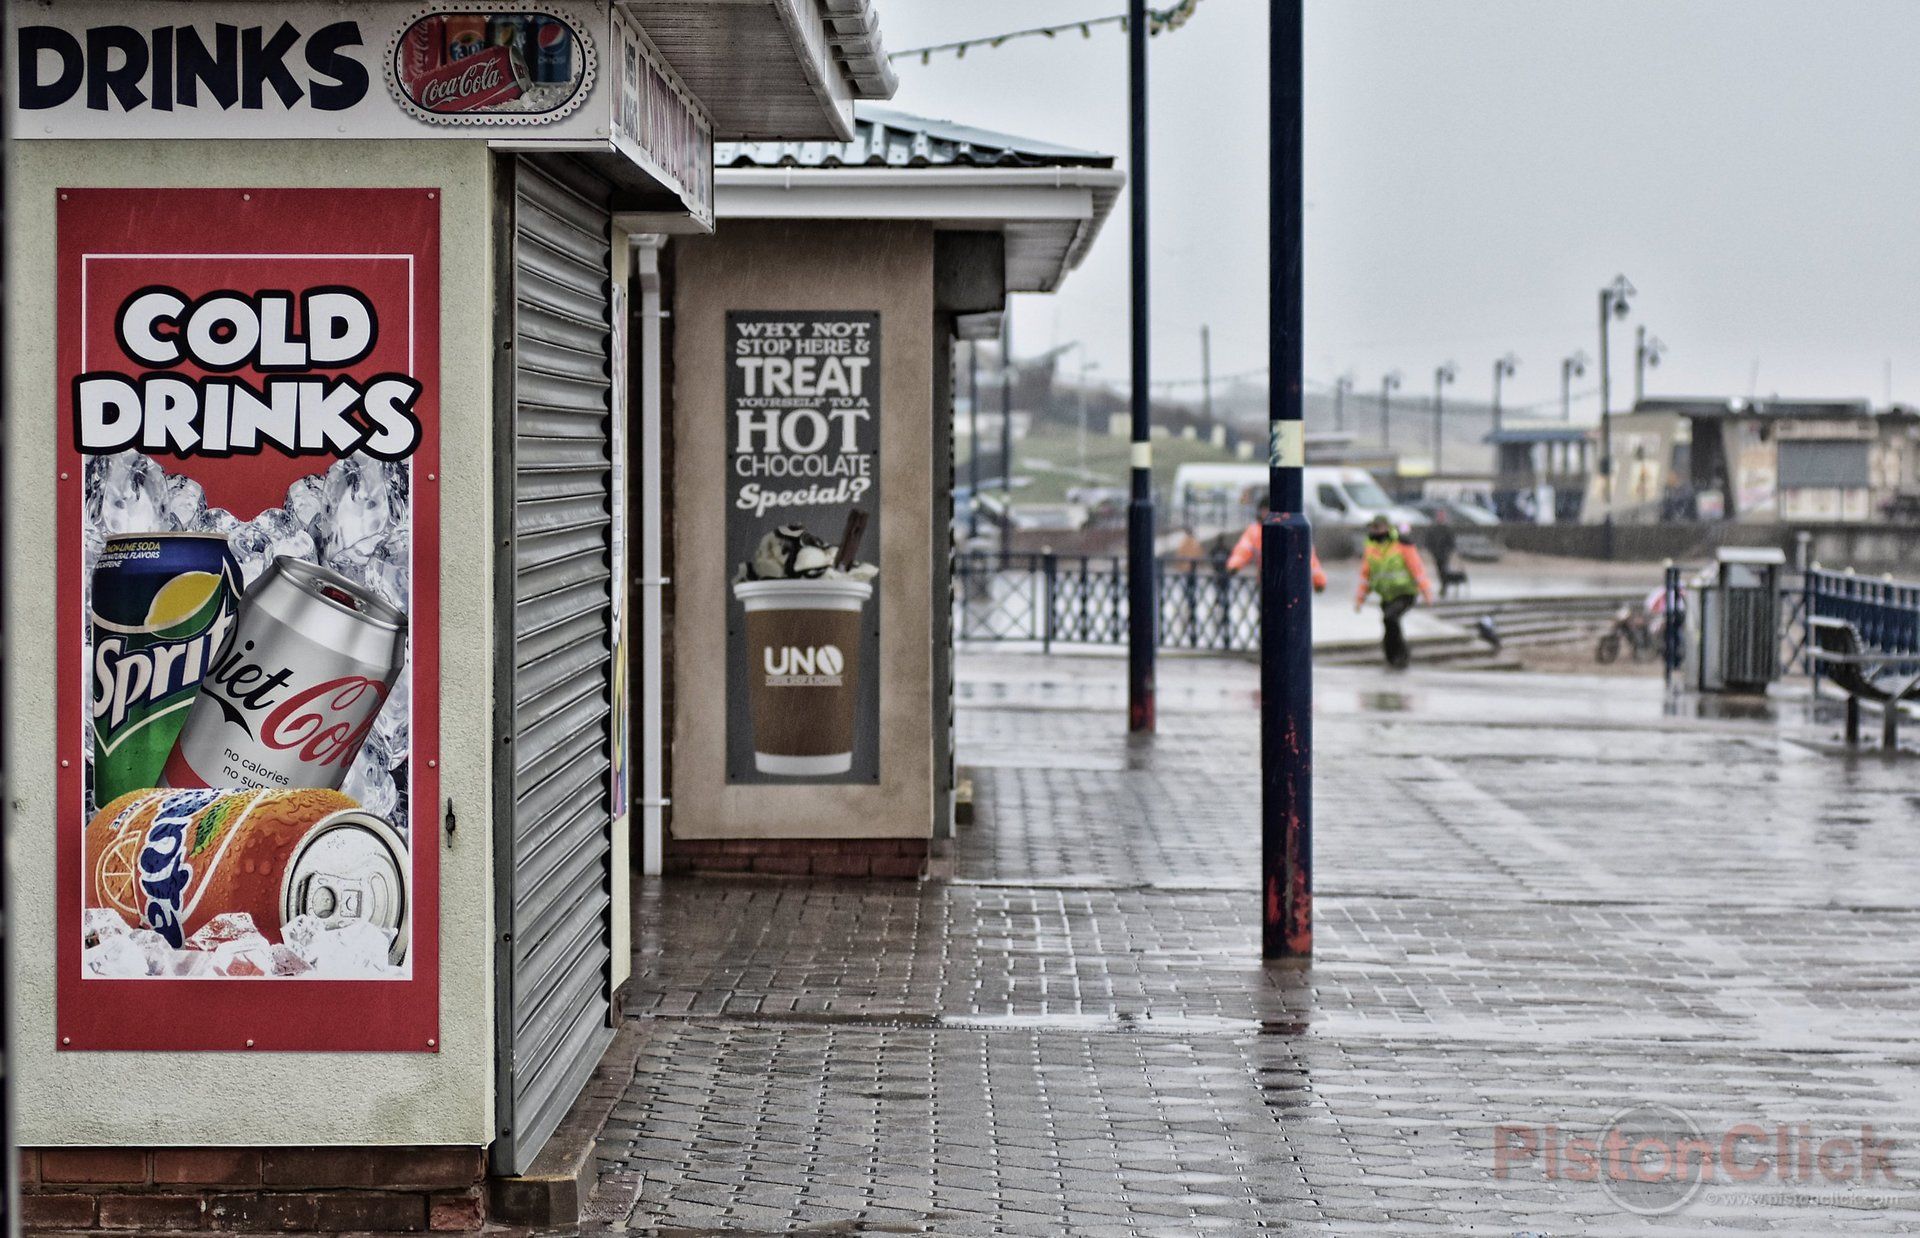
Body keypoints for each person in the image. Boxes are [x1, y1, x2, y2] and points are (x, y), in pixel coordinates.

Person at [1354, 514, 1433, 668]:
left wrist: (1426, 592)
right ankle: (1392, 658)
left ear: (1387, 527)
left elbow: (1416, 569)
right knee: (1389, 623)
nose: (1374, 530)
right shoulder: (1371, 548)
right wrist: (1359, 600)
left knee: (1390, 618)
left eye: (1378, 527)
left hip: (1405, 593)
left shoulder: (1402, 544)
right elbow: (1366, 576)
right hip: (1387, 595)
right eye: (1372, 527)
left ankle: (1401, 655)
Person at [1225, 500, 1326, 591]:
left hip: (1286, 580)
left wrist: (1319, 580)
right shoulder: (1255, 531)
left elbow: (1309, 559)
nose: (1265, 514)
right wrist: (1234, 566)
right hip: (1269, 580)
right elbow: (1243, 550)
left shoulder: (1288, 531)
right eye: (1263, 511)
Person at [1423, 508, 1458, 596]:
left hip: (1444, 553)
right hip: (1436, 553)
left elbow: (1451, 542)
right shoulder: (1433, 528)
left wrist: (1448, 551)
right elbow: (1428, 540)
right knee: (1439, 570)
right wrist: (1432, 550)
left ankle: (1444, 586)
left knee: (1444, 569)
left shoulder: (1447, 529)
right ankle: (1444, 585)